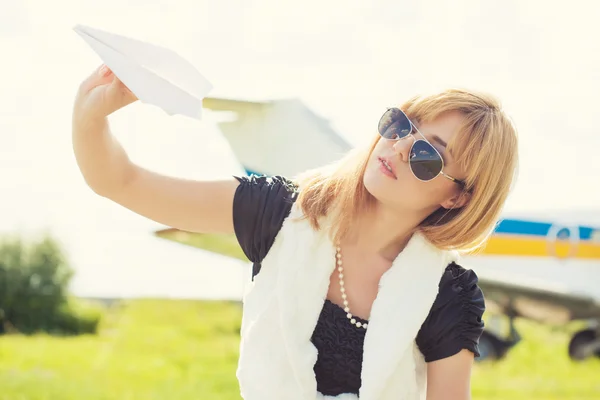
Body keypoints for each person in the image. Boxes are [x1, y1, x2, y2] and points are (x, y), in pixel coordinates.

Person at [72, 64, 519, 400]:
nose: (399, 147)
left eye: (427, 155)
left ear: (457, 198)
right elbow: (121, 181)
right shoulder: (280, 211)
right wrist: (89, 114)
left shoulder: (449, 294)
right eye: (401, 125)